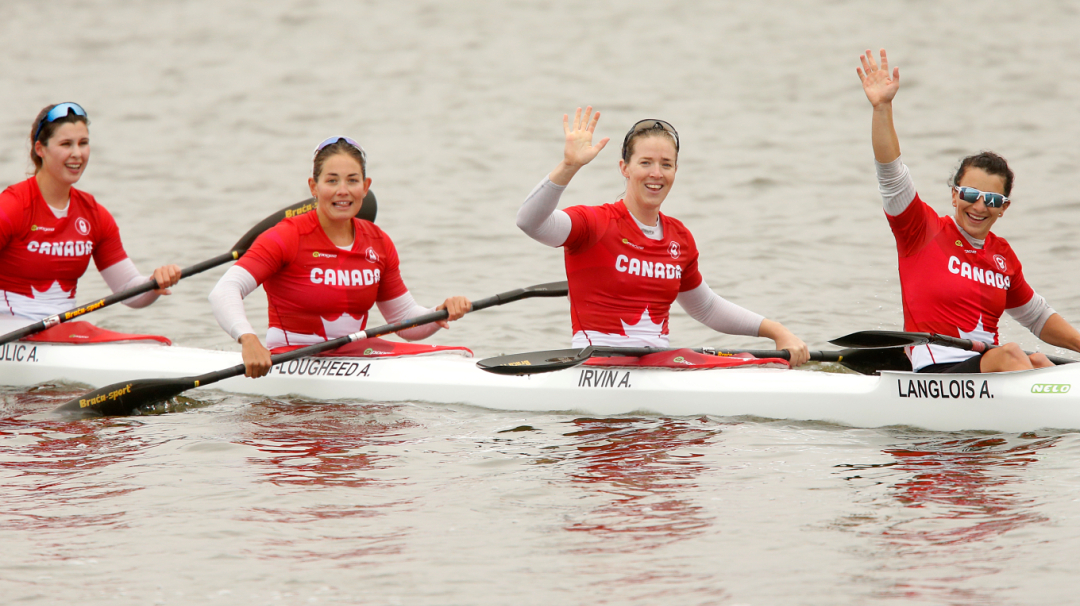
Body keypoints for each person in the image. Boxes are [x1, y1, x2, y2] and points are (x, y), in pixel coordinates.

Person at [515, 107, 810, 365]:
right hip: (597, 369)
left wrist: (777, 331)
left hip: (657, 371)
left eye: (666, 165)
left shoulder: (679, 238)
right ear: (625, 169)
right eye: (645, 163)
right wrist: (569, 166)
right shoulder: (594, 223)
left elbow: (706, 307)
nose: (656, 173)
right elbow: (530, 222)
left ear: (675, 171)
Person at [857, 48, 1080, 373]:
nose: (979, 206)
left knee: (1041, 361)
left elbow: (1037, 316)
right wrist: (882, 108)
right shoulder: (921, 230)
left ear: (1003, 209)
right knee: (1014, 355)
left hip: (987, 370)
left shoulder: (1003, 258)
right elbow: (891, 176)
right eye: (971, 194)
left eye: (991, 200)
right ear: (954, 195)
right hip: (936, 376)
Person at [209, 136, 471, 378]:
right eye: (332, 180)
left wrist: (440, 313)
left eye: (352, 180)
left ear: (366, 187)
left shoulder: (378, 241)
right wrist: (248, 339)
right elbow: (224, 290)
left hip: (356, 357)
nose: (343, 190)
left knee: (457, 355)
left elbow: (405, 322)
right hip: (294, 359)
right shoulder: (285, 236)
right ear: (314, 186)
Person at [0, 102, 181, 333]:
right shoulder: (12, 207)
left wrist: (154, 283)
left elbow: (127, 289)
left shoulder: (94, 215)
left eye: (83, 143)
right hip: (10, 334)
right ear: (40, 149)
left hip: (62, 333)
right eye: (66, 144)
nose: (77, 153)